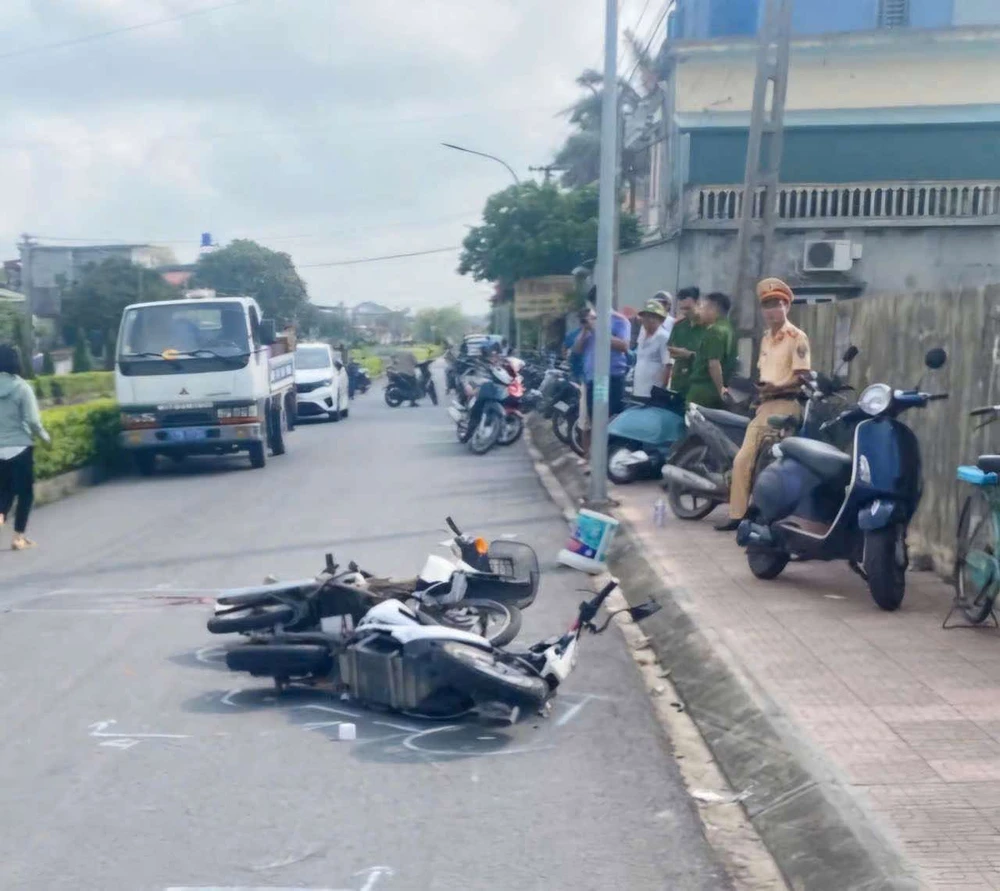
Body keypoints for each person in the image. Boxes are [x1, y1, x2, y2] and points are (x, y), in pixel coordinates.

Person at [715, 278, 811, 532]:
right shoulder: (767, 338)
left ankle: (765, 515)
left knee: (769, 463)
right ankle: (738, 514)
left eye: (777, 304)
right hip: (764, 406)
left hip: (785, 405)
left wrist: (776, 387)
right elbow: (763, 372)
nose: (772, 310)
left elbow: (802, 377)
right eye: (767, 305)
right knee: (743, 460)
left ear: (787, 306)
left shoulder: (797, 337)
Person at [0, 344, 50, 550]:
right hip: (20, 448)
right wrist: (46, 439)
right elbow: (33, 421)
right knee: (25, 494)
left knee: (3, 494)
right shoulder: (22, 387)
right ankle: (18, 537)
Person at [572, 288, 631, 458]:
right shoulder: (591, 322)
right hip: (594, 379)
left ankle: (612, 458)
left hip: (610, 377)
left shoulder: (619, 320)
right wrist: (585, 329)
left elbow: (623, 346)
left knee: (611, 419)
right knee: (595, 419)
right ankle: (597, 459)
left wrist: (596, 328)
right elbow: (577, 349)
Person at [684, 292, 736, 410]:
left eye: (703, 307)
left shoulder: (715, 331)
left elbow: (714, 363)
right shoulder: (728, 328)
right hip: (712, 389)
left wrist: (720, 389)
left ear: (712, 308)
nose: (700, 311)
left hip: (703, 390)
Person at [633, 299, 673, 399]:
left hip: (653, 391)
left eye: (652, 317)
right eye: (645, 316)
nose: (648, 320)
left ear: (661, 320)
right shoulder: (642, 335)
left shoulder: (663, 337)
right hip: (639, 389)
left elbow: (668, 365)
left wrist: (661, 390)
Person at [666, 286, 702, 393]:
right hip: (679, 381)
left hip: (698, 383)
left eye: (688, 308)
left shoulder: (709, 327)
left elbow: (714, 359)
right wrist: (674, 352)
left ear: (698, 303)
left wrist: (689, 354)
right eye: (682, 309)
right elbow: (670, 348)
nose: (685, 312)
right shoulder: (679, 326)